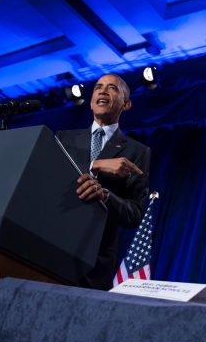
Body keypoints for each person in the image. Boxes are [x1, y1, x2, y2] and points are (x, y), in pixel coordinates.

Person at [56, 74, 151, 290]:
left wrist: (105, 195)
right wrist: (96, 165)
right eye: (98, 87)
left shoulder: (137, 151)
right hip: (54, 244)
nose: (103, 91)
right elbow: (51, 181)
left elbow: (134, 214)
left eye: (112, 88)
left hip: (95, 261)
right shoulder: (64, 139)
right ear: (90, 101)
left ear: (126, 104)